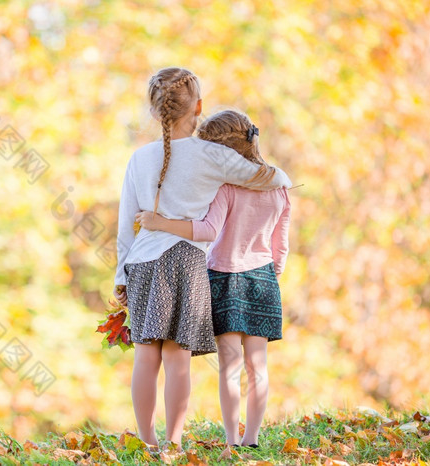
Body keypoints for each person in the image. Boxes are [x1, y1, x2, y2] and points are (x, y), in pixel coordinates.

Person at [113, 68, 291, 451]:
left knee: (146, 356)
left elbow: (125, 224)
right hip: (186, 263)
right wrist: (282, 177)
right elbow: (265, 177)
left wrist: (120, 276)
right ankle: (173, 443)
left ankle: (147, 442)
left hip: (143, 264)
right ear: (198, 107)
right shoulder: (212, 155)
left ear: (154, 110)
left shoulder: (138, 158)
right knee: (179, 358)